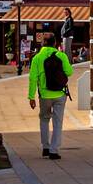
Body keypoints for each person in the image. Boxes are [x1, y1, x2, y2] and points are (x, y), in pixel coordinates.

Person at [28, 32, 72, 160]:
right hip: (59, 94)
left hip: (44, 95)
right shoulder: (61, 55)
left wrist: (31, 97)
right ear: (55, 43)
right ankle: (54, 150)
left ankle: (45, 147)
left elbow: (32, 78)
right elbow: (69, 72)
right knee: (58, 122)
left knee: (44, 119)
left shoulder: (37, 58)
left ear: (42, 43)